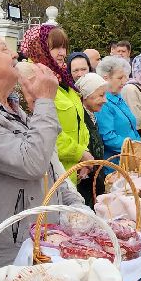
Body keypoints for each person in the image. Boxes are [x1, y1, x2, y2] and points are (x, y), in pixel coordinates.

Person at [0, 32, 82, 272]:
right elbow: (32, 163)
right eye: (4, 49)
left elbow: (51, 167)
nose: (14, 54)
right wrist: (44, 102)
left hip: (40, 249)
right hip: (5, 262)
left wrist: (76, 210)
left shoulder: (14, 110)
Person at [20, 22, 89, 172]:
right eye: (55, 47)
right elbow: (43, 129)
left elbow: (80, 122)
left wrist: (85, 154)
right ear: (39, 48)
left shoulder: (63, 77)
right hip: (53, 171)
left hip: (73, 169)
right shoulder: (32, 77)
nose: (62, 53)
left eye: (64, 47)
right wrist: (81, 154)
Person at [95, 54, 141, 163]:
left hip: (132, 159)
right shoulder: (103, 103)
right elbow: (108, 137)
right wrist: (134, 148)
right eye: (120, 78)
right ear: (105, 78)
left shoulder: (119, 98)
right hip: (116, 165)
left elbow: (131, 128)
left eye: (125, 77)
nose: (124, 81)